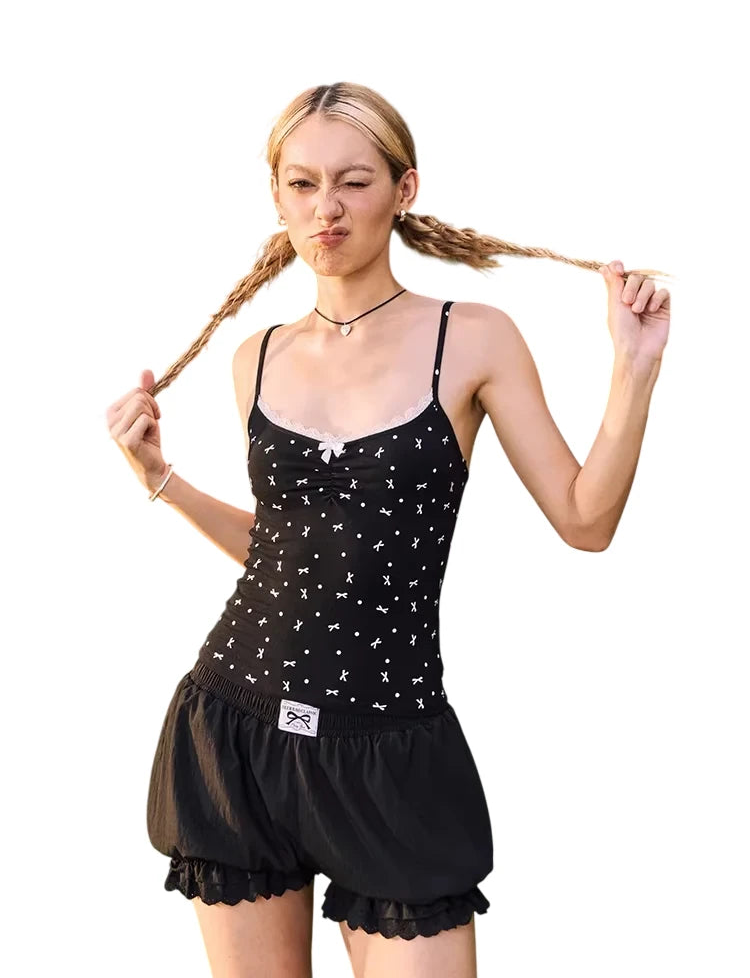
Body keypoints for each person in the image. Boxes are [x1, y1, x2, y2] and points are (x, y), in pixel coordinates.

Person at [105, 82, 670, 978]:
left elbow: (585, 519)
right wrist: (160, 481)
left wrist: (633, 370)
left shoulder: (472, 338)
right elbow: (289, 552)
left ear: (404, 190)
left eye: (354, 181)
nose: (325, 208)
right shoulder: (257, 356)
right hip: (236, 730)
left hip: (390, 750)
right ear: (277, 196)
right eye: (302, 183)